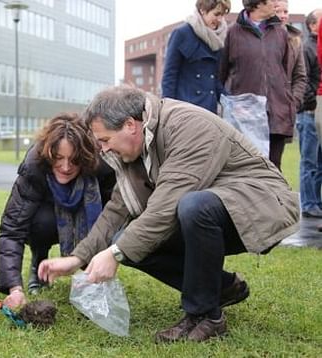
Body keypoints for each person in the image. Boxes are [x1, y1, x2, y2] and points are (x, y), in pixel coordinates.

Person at [38, 86, 299, 343]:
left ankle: (206, 317)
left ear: (130, 125)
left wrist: (115, 253)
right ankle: (221, 288)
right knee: (127, 236)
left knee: (191, 208)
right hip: (214, 207)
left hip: (261, 204)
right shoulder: (138, 147)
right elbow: (118, 208)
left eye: (104, 140)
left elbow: (165, 210)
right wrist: (77, 258)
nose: (103, 149)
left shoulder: (189, 127)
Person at [0, 113, 115, 308]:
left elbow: (115, 216)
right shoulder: (34, 168)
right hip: (47, 223)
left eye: (74, 160)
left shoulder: (101, 166)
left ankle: (90, 274)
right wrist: (14, 288)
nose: (66, 167)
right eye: (58, 158)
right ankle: (38, 262)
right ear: (48, 154)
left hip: (87, 223)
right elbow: (11, 230)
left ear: (84, 157)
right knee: (42, 220)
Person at [219, 0, 305, 170]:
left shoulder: (281, 33)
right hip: (244, 119)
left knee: (273, 172)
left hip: (276, 115)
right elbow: (222, 74)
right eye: (271, 1)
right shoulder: (233, 33)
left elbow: (288, 74)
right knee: (246, 172)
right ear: (257, 4)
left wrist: (291, 103)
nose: (275, 4)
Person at [161, 0, 230, 114]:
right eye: (216, 14)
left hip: (209, 110)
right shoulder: (181, 33)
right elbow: (169, 76)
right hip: (185, 110)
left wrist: (230, 102)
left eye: (222, 15)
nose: (220, 19)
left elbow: (215, 80)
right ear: (202, 10)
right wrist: (167, 110)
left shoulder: (219, 39)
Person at [296, 10, 322, 219]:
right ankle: (308, 203)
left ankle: (316, 201)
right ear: (313, 25)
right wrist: (311, 104)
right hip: (309, 112)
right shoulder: (306, 48)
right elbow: (303, 80)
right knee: (309, 161)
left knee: (318, 161)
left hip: (315, 110)